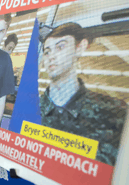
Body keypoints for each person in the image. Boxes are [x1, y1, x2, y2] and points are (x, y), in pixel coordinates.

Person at [40, 22, 127, 166]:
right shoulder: (32, 109)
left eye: (60, 47)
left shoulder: (114, 112)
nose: (51, 56)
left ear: (79, 48)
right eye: (47, 51)